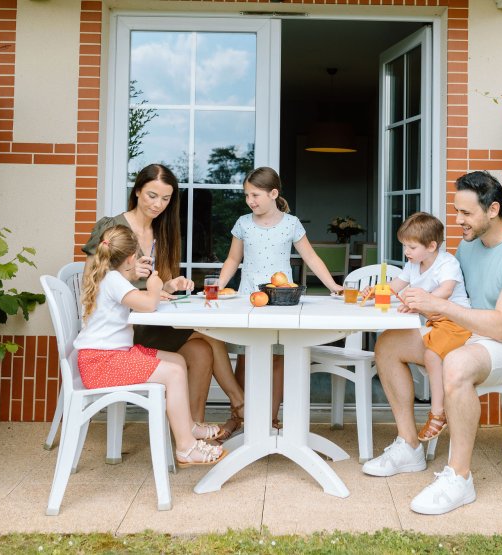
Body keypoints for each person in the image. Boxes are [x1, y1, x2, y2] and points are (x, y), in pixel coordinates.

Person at [363, 171, 502, 516]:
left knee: (457, 362)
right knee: (388, 345)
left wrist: (438, 305)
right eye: (456, 211)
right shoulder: (469, 246)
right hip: (470, 334)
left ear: (493, 210)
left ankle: (459, 478)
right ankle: (409, 446)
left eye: (466, 213)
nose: (458, 220)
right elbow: (452, 293)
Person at [82, 163, 226, 438]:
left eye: (166, 198)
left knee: (202, 349)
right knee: (208, 335)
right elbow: (93, 280)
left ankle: (193, 426)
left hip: (147, 321)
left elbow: (154, 288)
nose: (158, 204)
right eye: (152, 195)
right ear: (137, 191)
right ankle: (239, 405)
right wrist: (130, 278)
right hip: (122, 330)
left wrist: (169, 285)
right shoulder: (113, 229)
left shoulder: (163, 231)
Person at [74, 225, 225, 466]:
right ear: (130, 257)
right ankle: (186, 447)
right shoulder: (113, 280)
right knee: (174, 372)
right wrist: (155, 287)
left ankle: (188, 426)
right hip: (102, 364)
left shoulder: (110, 276)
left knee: (177, 360)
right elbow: (148, 305)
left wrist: (141, 280)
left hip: (104, 358)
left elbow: (133, 297)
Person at [217, 166, 344, 430]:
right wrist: (218, 285)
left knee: (278, 357)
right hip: (250, 298)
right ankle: (238, 416)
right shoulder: (243, 223)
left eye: (255, 195)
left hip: (281, 300)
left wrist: (333, 285)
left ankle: (271, 419)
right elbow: (233, 258)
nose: (250, 201)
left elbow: (311, 257)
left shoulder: (291, 224)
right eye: (247, 195)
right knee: (245, 356)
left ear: (273, 194)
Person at [362, 212, 471, 444]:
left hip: (457, 322)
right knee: (399, 343)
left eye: (411, 247)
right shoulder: (413, 265)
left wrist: (420, 302)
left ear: (431, 246)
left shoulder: (446, 263)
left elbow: (446, 290)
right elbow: (394, 287)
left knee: (431, 355)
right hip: (437, 323)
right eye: (404, 246)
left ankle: (438, 413)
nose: (406, 252)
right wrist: (375, 291)